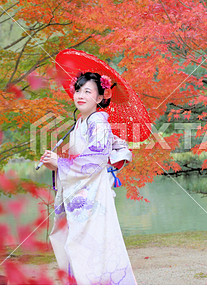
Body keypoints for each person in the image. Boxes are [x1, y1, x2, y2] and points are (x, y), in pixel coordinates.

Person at [40, 72, 137, 285]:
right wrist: (56, 163)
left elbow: (97, 156)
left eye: (87, 91)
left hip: (94, 193)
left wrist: (61, 164)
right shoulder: (81, 123)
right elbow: (84, 157)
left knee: (91, 244)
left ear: (100, 98)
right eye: (78, 90)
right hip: (81, 190)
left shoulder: (99, 122)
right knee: (75, 243)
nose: (80, 95)